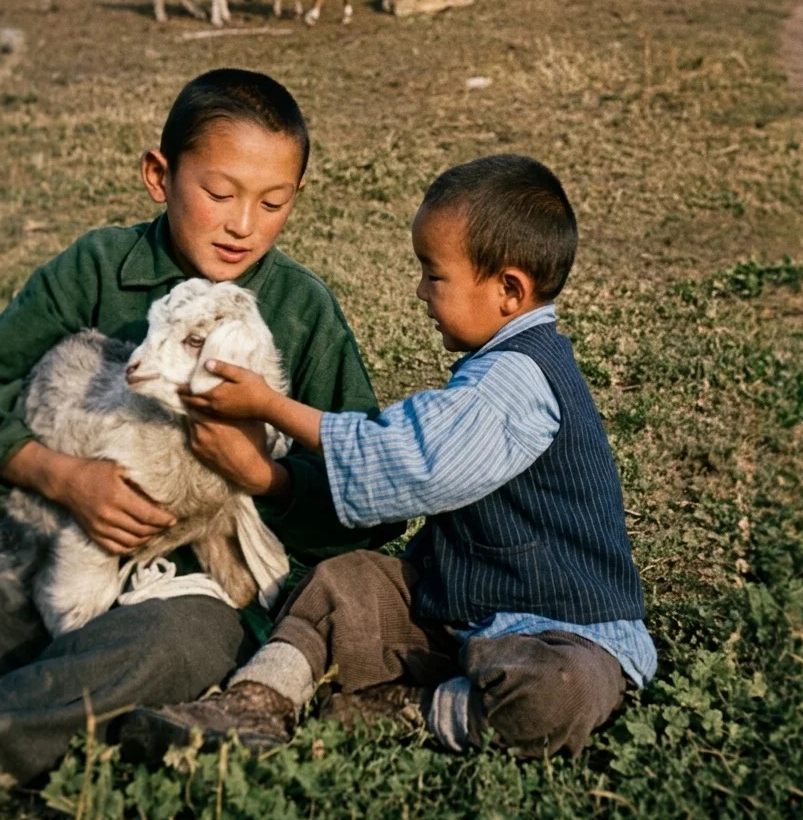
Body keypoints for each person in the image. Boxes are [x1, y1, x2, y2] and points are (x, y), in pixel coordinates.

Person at [122, 154, 657, 762]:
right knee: (346, 582)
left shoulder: (517, 382)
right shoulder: (495, 367)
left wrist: (271, 406)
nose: (421, 291)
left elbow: (412, 459)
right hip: (458, 608)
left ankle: (415, 708)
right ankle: (256, 700)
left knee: (559, 691)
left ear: (508, 290)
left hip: (559, 631)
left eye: (434, 275)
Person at [0, 68, 401, 786]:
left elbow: (370, 496)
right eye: (219, 194)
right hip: (44, 532)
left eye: (272, 202)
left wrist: (262, 476)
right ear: (160, 176)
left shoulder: (302, 313)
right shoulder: (96, 270)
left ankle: (15, 728)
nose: (244, 224)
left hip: (188, 585)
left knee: (171, 647)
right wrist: (60, 476)